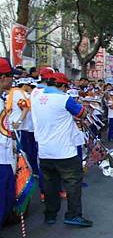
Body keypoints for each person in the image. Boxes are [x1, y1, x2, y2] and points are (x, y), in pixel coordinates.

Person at [30, 71, 93, 227]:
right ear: (62, 86)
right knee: (73, 183)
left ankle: (50, 215)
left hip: (44, 151)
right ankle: (73, 215)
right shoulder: (64, 99)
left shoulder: (35, 97)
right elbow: (82, 113)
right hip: (65, 151)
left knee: (50, 185)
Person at [0, 58, 18, 238]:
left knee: (5, 198)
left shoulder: (2, 99)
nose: (13, 81)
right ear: (3, 77)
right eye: (11, 77)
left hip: (5, 156)